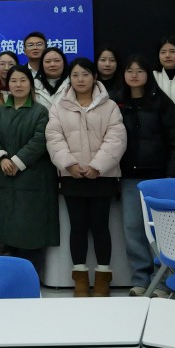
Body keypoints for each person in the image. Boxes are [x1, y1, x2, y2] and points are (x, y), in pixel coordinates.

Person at [45, 58, 126, 298]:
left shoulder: (110, 106)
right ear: (69, 78)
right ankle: (80, 279)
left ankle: (102, 278)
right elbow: (54, 139)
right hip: (72, 176)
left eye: (85, 74)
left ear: (94, 77)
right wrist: (69, 165)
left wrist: (97, 167)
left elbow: (116, 139)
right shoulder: (58, 107)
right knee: (77, 227)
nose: (80, 79)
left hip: (103, 176)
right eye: (75, 75)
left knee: (101, 227)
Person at [116, 55, 175, 295]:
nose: (134, 75)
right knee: (133, 230)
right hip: (128, 177)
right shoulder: (116, 103)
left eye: (140, 70)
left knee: (161, 230)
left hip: (159, 177)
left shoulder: (162, 103)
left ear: (148, 74)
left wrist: (172, 177)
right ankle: (140, 281)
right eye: (129, 70)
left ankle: (163, 282)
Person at [0, 65, 58, 275]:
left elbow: (39, 140)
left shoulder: (40, 111)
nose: (18, 85)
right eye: (14, 81)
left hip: (33, 178)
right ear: (7, 85)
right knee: (9, 228)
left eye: (23, 80)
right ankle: (13, 279)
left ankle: (31, 277)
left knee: (31, 230)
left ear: (30, 84)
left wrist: (17, 162)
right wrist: (2, 158)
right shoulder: (0, 112)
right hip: (5, 177)